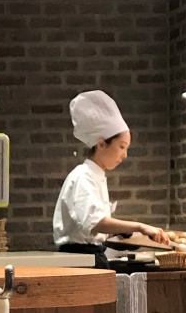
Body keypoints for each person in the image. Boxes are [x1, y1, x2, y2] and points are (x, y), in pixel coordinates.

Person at [53, 90, 169, 269]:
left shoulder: (96, 176)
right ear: (101, 144)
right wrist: (140, 227)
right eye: (122, 147)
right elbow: (96, 223)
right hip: (81, 261)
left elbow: (91, 226)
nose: (125, 155)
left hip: (91, 257)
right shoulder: (83, 176)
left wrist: (121, 232)